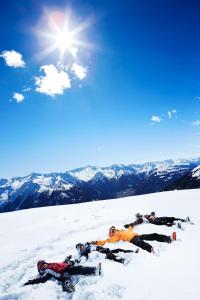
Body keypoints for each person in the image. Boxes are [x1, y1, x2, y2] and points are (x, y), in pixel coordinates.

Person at [24, 257, 101, 293]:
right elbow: (42, 279)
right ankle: (68, 287)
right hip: (61, 274)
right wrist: (31, 281)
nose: (44, 265)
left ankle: (94, 270)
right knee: (66, 277)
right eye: (42, 266)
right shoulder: (48, 272)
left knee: (79, 268)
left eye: (44, 264)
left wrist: (67, 259)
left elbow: (61, 263)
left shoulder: (52, 264)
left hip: (66, 268)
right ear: (41, 269)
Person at [92, 225, 176, 254]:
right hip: (132, 239)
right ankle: (150, 249)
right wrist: (96, 243)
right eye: (111, 230)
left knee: (153, 235)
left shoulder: (121, 230)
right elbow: (105, 241)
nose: (113, 230)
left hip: (138, 235)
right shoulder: (114, 237)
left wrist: (130, 226)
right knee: (140, 243)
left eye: (113, 229)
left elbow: (130, 229)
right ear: (110, 233)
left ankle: (168, 239)